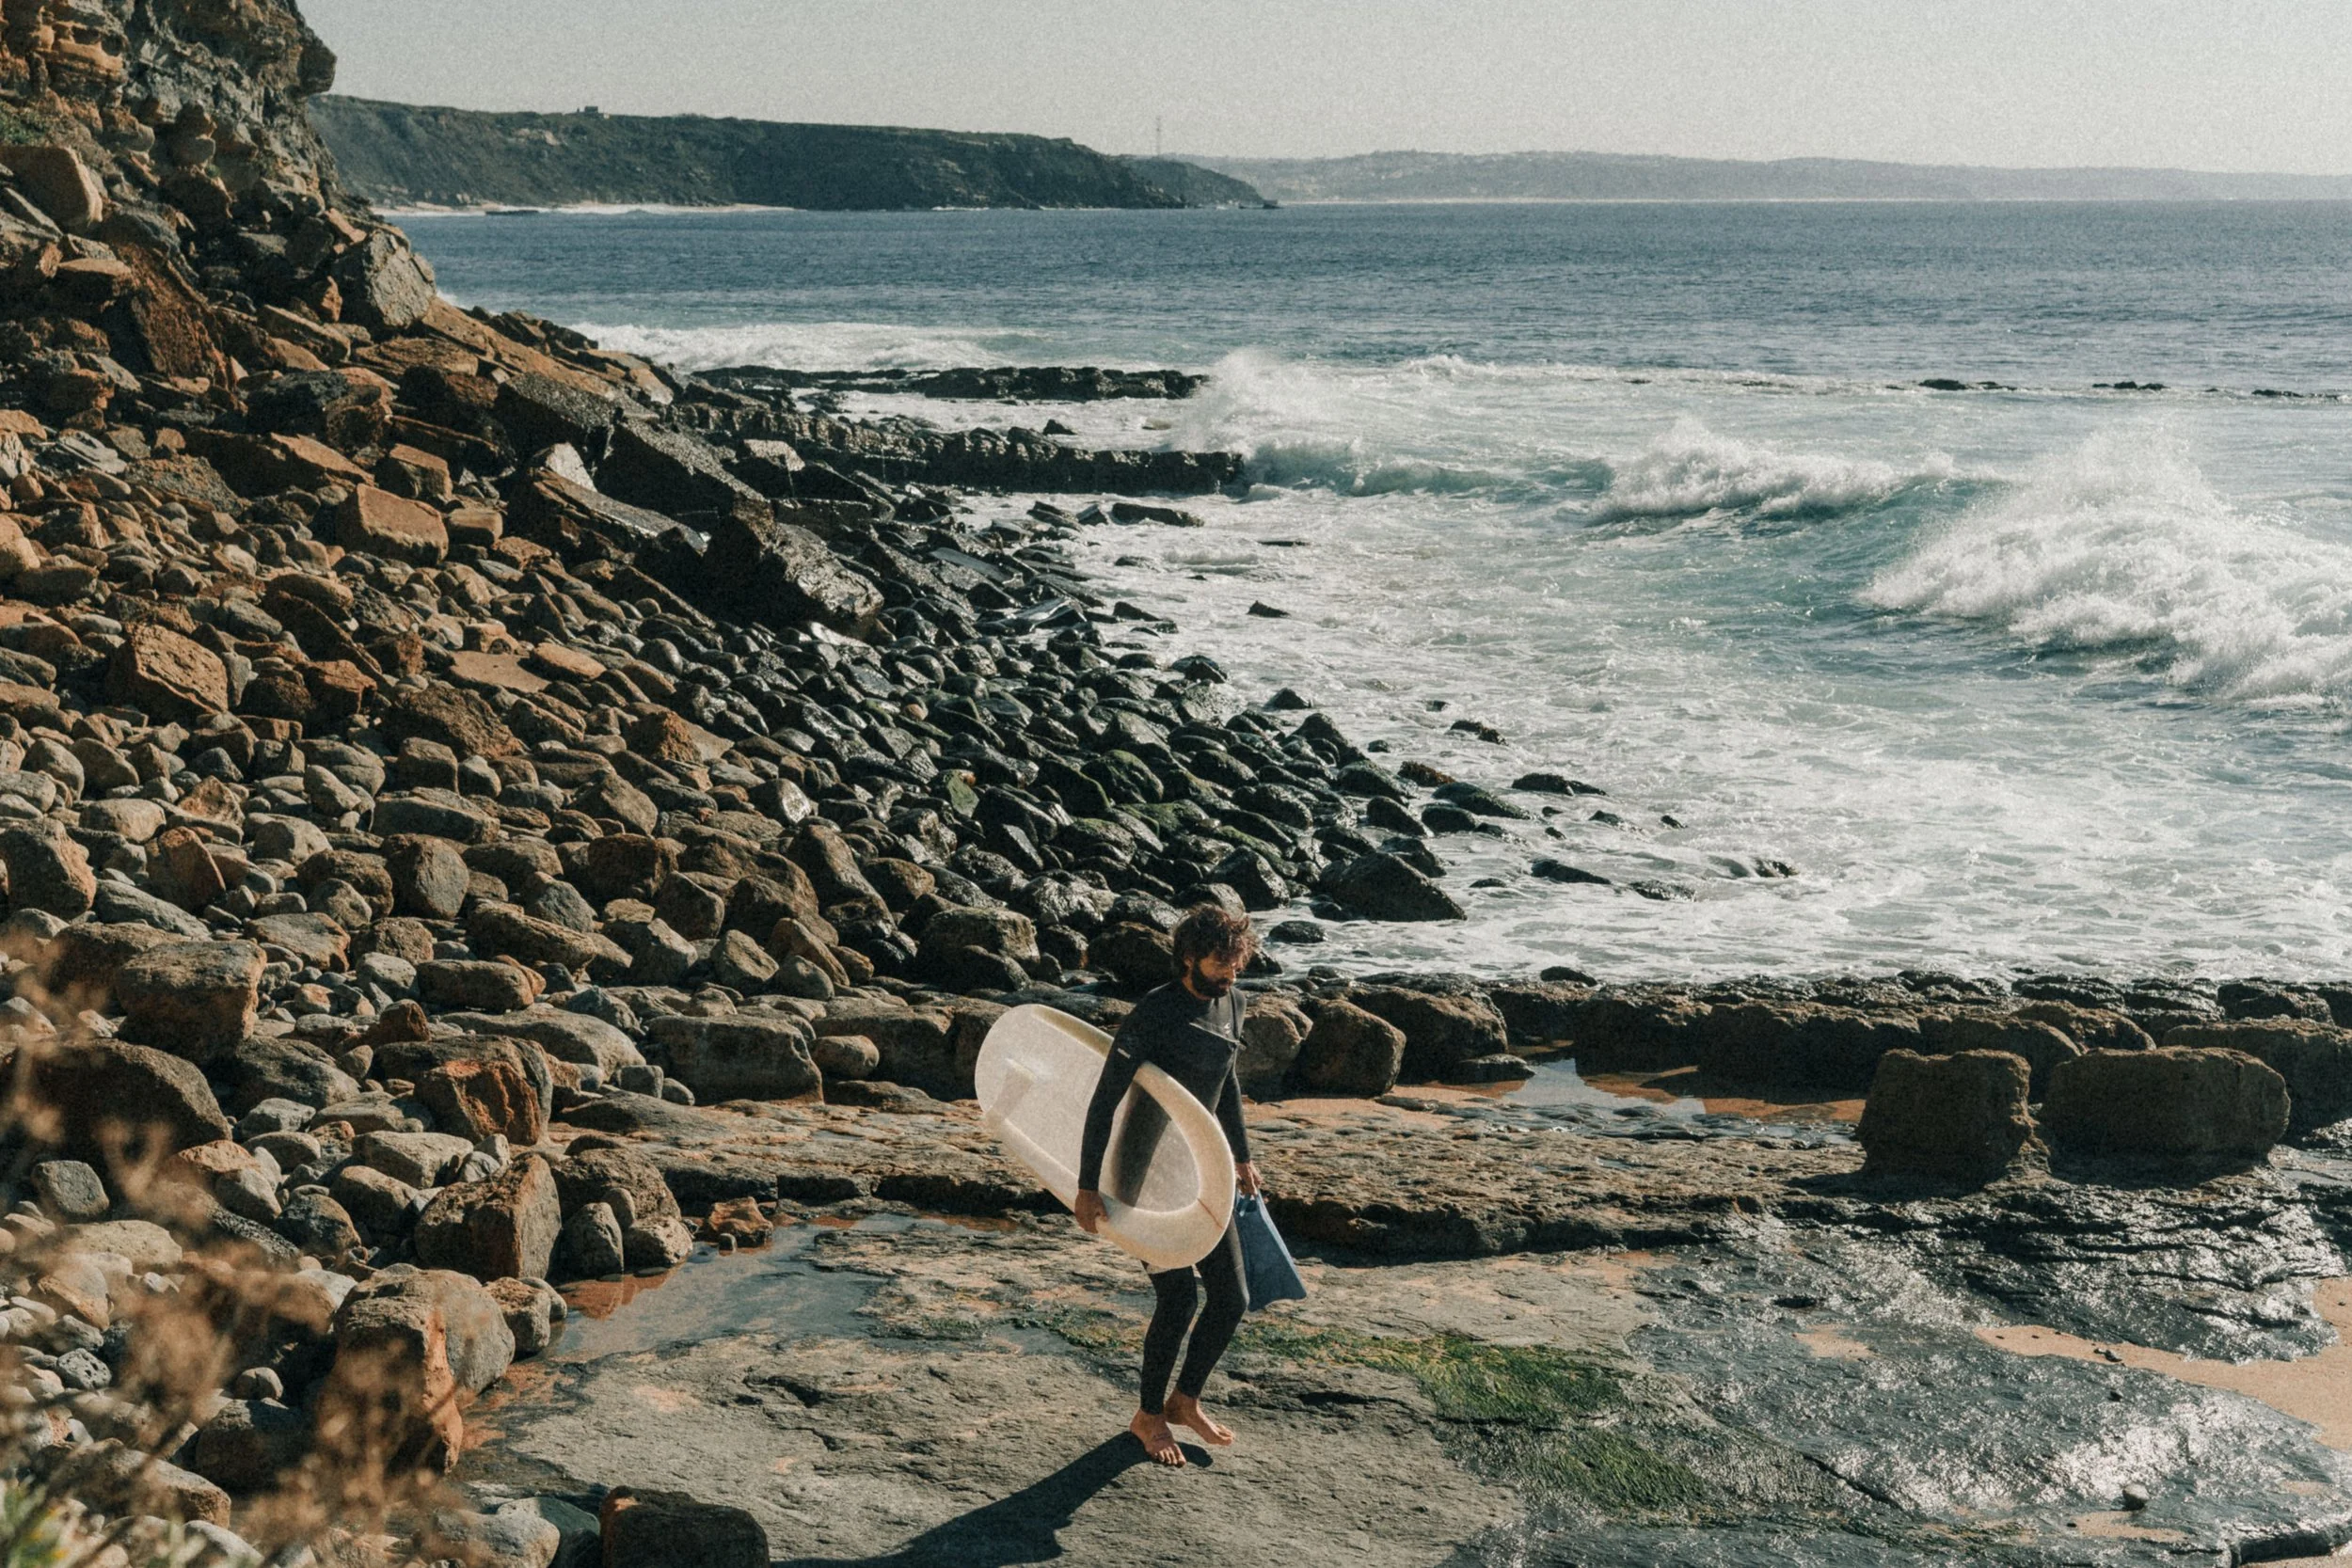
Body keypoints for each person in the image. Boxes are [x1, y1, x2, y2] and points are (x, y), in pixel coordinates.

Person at [1073, 904, 1262, 1467]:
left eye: (1237, 959)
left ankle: (1186, 1400)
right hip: (1145, 1176)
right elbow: (1104, 1100)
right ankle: (1148, 1416)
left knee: (1232, 1298)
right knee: (1177, 1300)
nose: (1230, 971)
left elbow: (1224, 1083)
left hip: (1201, 1169)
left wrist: (1242, 1159)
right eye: (1219, 960)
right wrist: (1088, 1186)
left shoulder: (1234, 1002)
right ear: (1188, 957)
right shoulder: (1155, 1012)